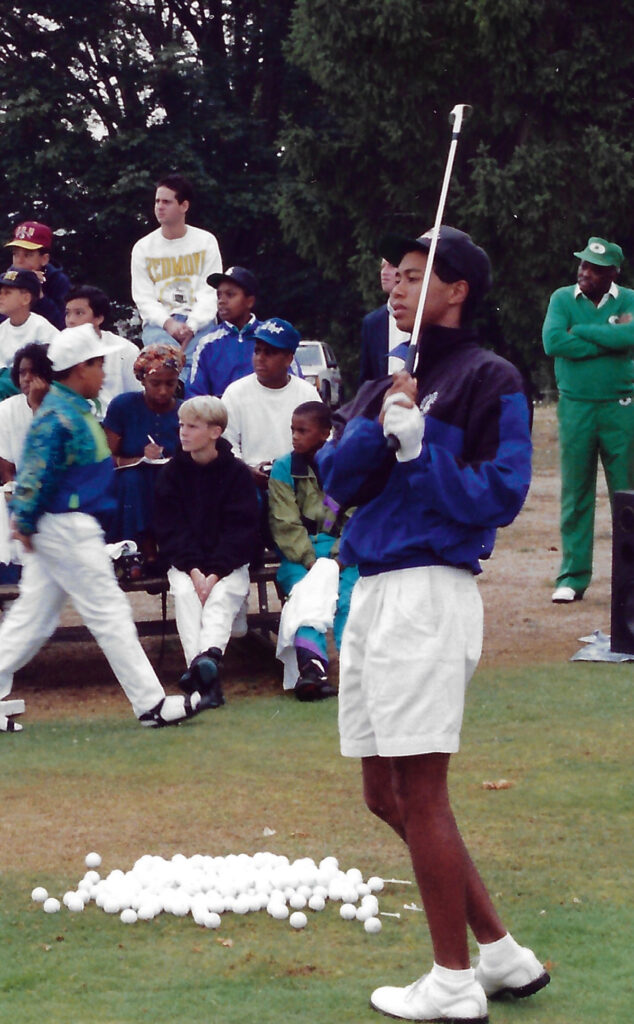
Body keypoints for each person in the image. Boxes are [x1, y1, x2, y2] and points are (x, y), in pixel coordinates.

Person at [317, 227, 548, 1022]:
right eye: (398, 276)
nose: (400, 288)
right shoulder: (392, 375)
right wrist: (383, 419)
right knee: (383, 792)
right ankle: (502, 953)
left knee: (422, 789)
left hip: (430, 589)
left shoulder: (493, 379)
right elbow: (336, 486)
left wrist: (422, 454)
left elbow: (501, 496)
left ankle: (453, 983)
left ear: (458, 292)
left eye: (418, 277)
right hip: (371, 587)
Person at [0, 324, 207, 733]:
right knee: (109, 614)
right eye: (97, 365)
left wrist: (26, 522)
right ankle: (151, 704)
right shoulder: (59, 415)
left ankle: (151, 704)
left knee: (32, 621)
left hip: (64, 526)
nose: (103, 374)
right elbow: (35, 472)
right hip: (65, 527)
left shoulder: (71, 409)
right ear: (79, 369)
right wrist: (23, 520)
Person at [542, 236, 634, 603]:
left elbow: (631, 334)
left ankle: (628, 580)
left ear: (612, 272)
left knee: (626, 494)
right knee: (576, 493)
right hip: (576, 406)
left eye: (594, 269)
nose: (585, 273)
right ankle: (573, 577)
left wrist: (580, 332)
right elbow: (552, 342)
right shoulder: (562, 299)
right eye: (582, 265)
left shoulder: (628, 300)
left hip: (620, 406)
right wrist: (610, 343)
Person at [154, 396, 260, 710]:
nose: (183, 433)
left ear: (215, 432)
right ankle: (207, 672)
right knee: (187, 595)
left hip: (229, 564)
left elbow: (241, 530)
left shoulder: (238, 474)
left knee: (221, 596)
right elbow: (169, 530)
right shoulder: (170, 475)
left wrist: (214, 572)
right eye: (181, 426)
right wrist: (195, 570)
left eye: (192, 426)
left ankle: (202, 671)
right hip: (185, 565)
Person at [268, 401, 357, 701]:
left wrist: (342, 556)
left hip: (345, 551)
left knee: (348, 599)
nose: (295, 436)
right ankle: (312, 669)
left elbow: (358, 516)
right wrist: (311, 560)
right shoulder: (284, 468)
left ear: (324, 433)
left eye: (303, 430)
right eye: (292, 429)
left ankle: (355, 669)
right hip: (300, 555)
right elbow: (284, 523)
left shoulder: (346, 466)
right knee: (306, 596)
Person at [131, 172, 222, 380]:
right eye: (157, 201)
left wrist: (192, 325)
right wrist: (168, 324)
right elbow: (143, 298)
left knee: (198, 373)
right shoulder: (143, 248)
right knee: (165, 370)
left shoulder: (205, 241)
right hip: (160, 324)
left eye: (167, 201)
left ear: (184, 206)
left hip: (200, 323)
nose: (159, 207)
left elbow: (210, 292)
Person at [103, 343, 183, 565]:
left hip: (171, 481)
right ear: (142, 380)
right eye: (155, 383)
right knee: (134, 479)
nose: (163, 391)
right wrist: (140, 459)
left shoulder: (184, 411)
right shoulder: (123, 406)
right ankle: (141, 550)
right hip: (130, 484)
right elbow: (106, 458)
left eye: (171, 383)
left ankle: (171, 548)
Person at [222, 318, 320, 492]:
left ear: (288, 359)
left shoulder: (307, 393)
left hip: (297, 480)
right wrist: (246, 471)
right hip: (248, 482)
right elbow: (226, 444)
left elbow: (321, 440)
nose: (260, 358)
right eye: (257, 351)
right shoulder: (235, 392)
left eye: (270, 352)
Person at [0, 343, 53, 582]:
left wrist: (38, 407)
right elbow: (7, 469)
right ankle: (9, 580)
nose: (27, 378)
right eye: (22, 373)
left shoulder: (65, 408)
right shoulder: (6, 410)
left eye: (34, 372)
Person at [65, 285, 143, 417]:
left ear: (99, 318)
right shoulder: (58, 350)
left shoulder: (125, 350)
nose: (71, 320)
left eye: (79, 313)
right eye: (67, 313)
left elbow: (137, 398)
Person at [187, 266, 260, 398]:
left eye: (230, 295)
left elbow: (294, 385)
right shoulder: (207, 344)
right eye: (219, 295)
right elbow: (194, 396)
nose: (221, 301)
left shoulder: (270, 338)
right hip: (220, 416)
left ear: (250, 301)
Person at [0, 268, 58, 396]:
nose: (1, 297)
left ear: (26, 299)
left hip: (35, 389)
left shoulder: (41, 328)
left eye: (7, 293)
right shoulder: (2, 329)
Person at [4, 220, 70, 331]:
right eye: (16, 254)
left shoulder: (58, 281)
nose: (19, 261)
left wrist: (39, 295)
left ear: (44, 259)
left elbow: (63, 325)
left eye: (27, 255)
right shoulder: (6, 280)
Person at [359, 258, 410, 385]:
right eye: (382, 267)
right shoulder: (372, 322)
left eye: (391, 265)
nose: (384, 272)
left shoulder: (424, 317)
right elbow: (367, 379)